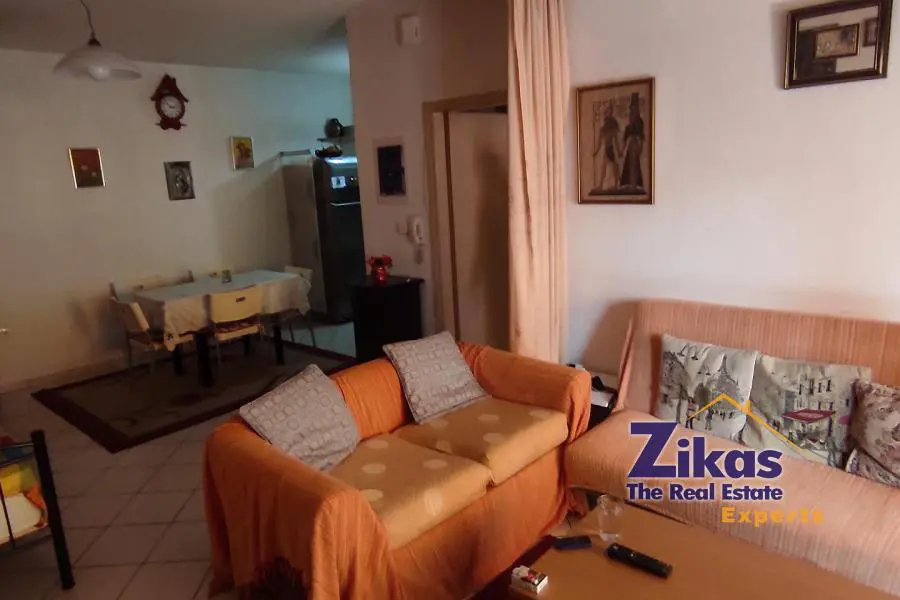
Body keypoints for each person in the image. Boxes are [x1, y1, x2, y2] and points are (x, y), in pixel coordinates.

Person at [592, 104, 621, 192]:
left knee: (613, 167)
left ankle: (614, 184)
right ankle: (603, 185)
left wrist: (619, 151)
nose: (608, 113)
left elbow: (616, 140)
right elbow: (600, 142)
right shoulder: (603, 129)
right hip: (607, 149)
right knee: (607, 167)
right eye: (607, 112)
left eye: (610, 112)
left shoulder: (612, 127)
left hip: (611, 149)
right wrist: (596, 152)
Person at [620, 92, 645, 190]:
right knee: (630, 164)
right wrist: (622, 150)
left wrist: (640, 147)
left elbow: (640, 136)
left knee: (634, 165)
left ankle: (634, 184)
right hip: (631, 145)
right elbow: (625, 138)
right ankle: (630, 184)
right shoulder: (630, 125)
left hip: (634, 144)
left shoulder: (639, 122)